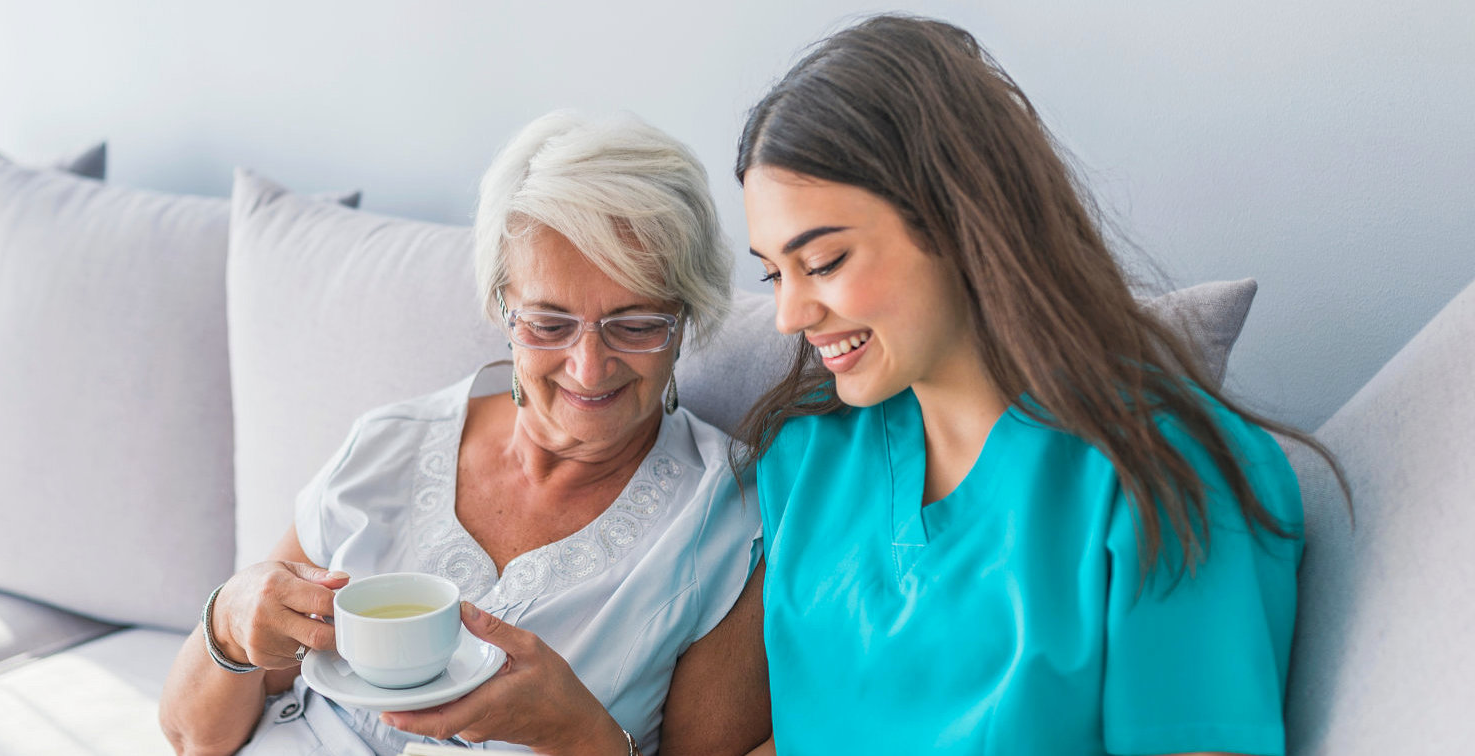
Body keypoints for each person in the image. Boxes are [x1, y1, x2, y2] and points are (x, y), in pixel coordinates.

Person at [732, 14, 1346, 756]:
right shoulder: (803, 462)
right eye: (772, 273)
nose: (789, 315)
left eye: (823, 262)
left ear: (958, 220)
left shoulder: (1166, 473)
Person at [159, 110, 770, 756]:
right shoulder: (388, 449)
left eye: (637, 323)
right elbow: (191, 736)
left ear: (686, 316)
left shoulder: (726, 522)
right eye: (548, 323)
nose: (588, 367)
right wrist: (227, 623)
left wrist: (575, 732)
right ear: (502, 309)